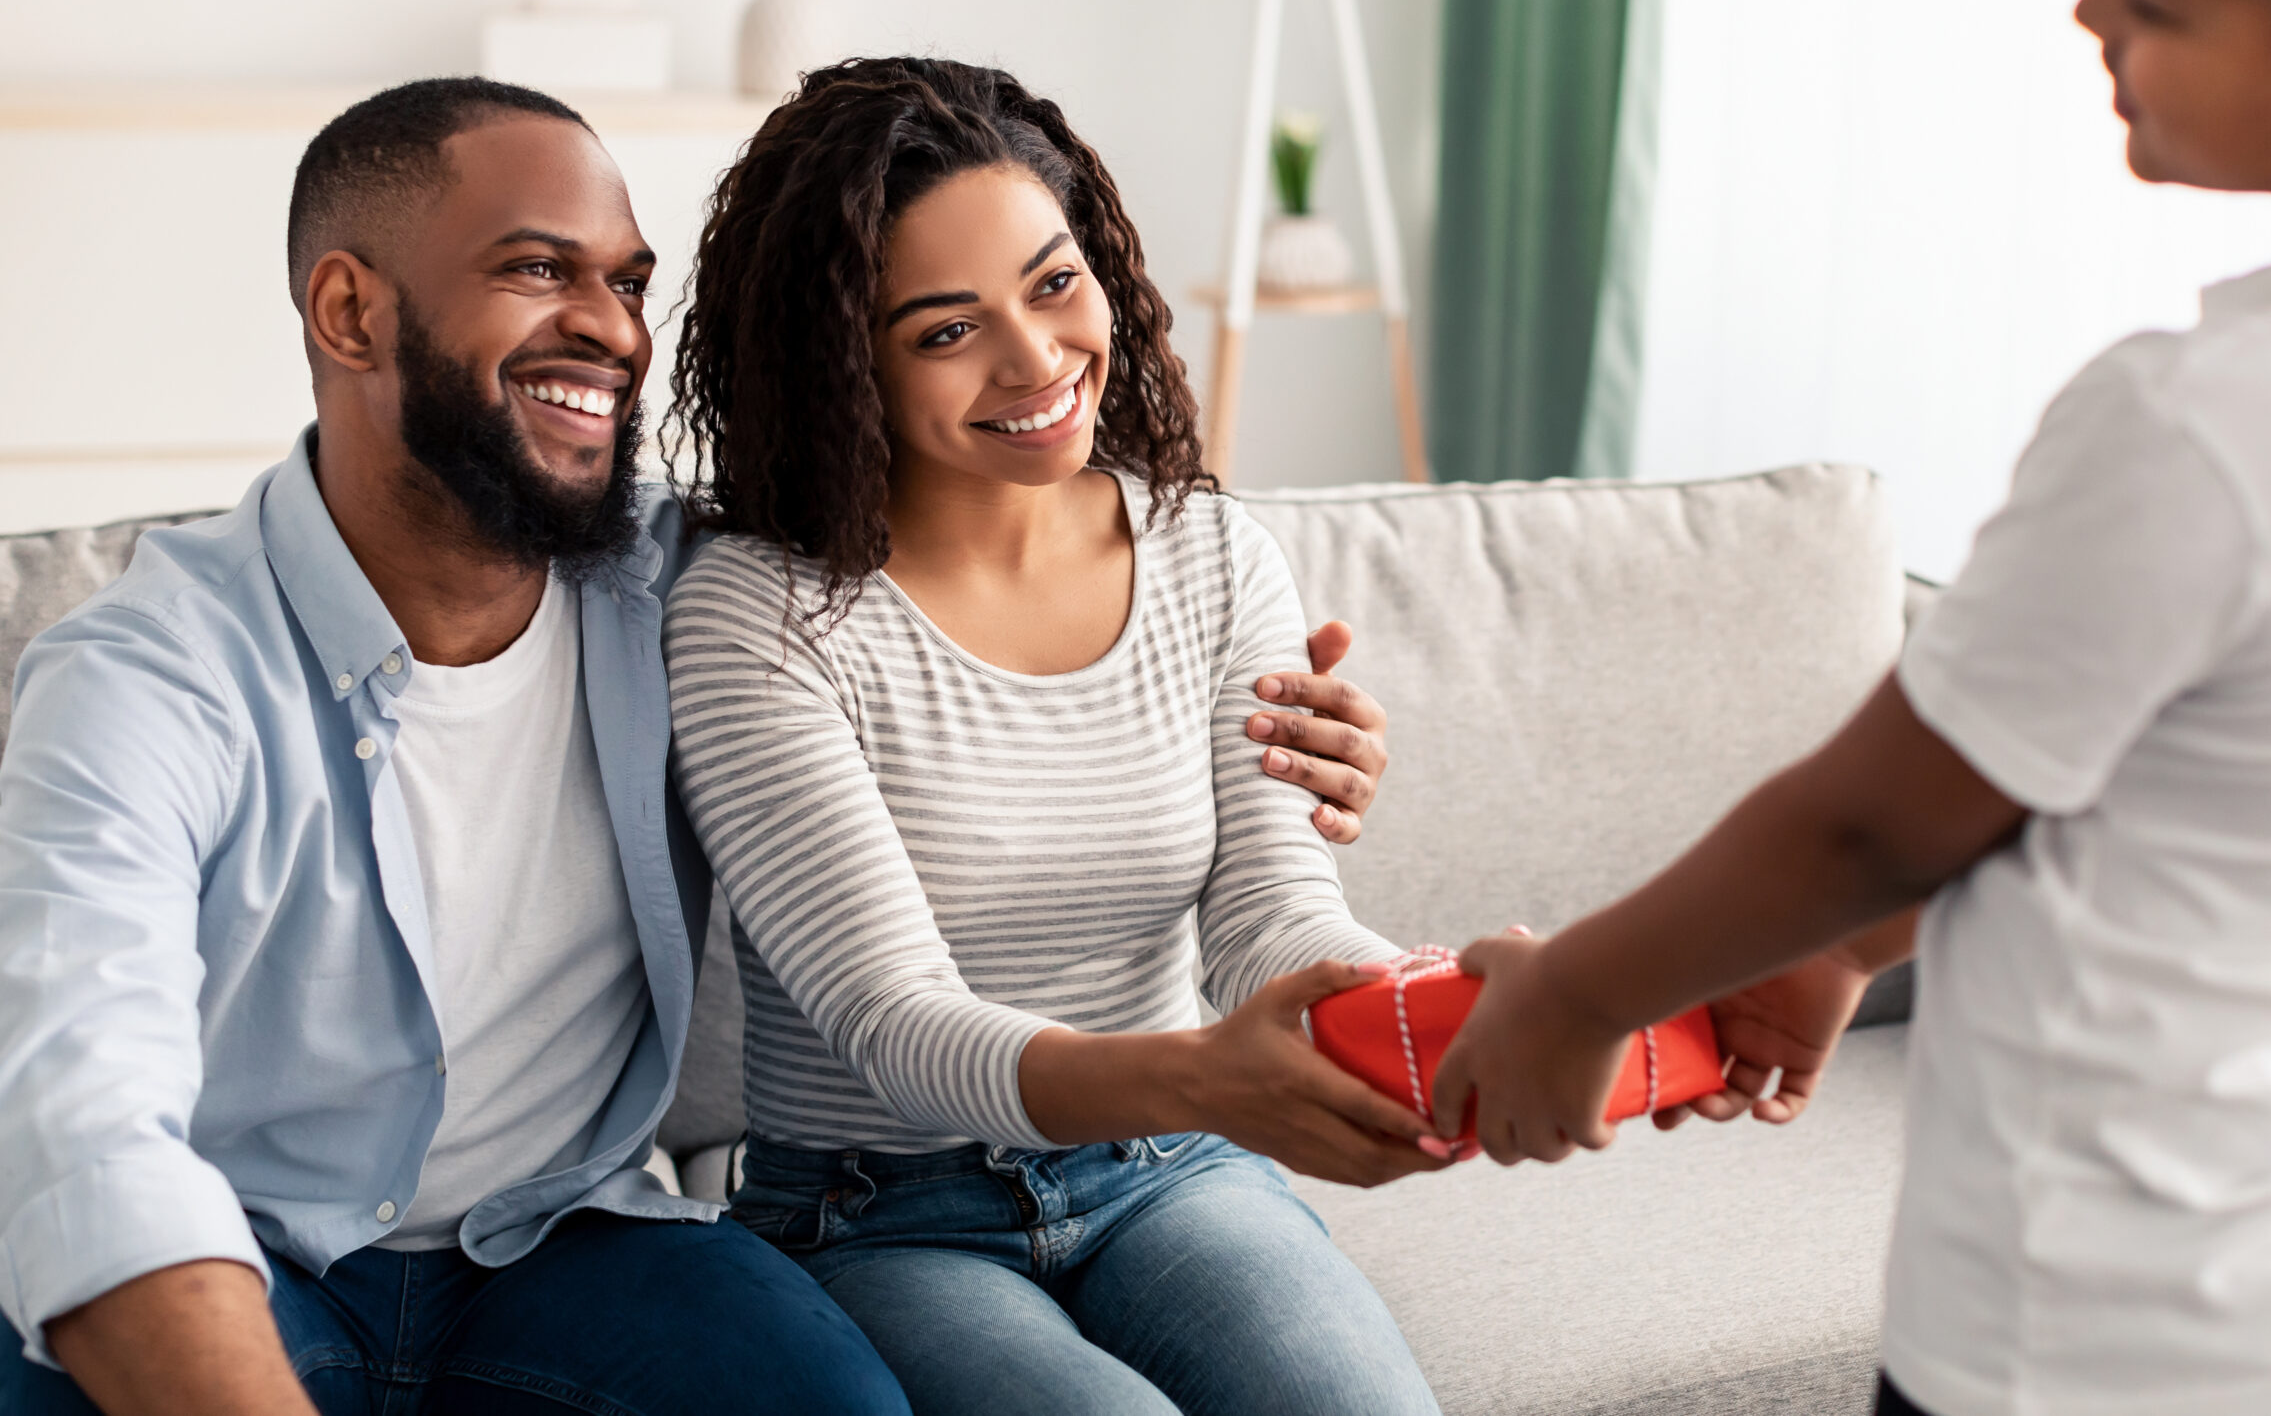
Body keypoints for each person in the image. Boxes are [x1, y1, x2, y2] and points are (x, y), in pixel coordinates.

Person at [1431, 0, 2271, 1414]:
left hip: (2123, 1344)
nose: (2091, 11)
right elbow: (2107, 779)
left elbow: (1874, 821)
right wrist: (1835, 957)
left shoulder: (2197, 429)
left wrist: (1580, 995)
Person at [0, 76, 1394, 1415]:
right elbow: (82, 1124)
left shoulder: (662, 572)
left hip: (558, 1251)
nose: (609, 331)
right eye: (538, 269)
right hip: (256, 1252)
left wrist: (1341, 819)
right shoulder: (146, 678)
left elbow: (924, 561)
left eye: (626, 283)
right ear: (350, 311)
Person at [659, 56, 1447, 1416]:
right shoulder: (760, 618)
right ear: (843, 359)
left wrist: (1436, 1003)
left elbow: (1270, 918)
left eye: (1053, 283)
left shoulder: (1209, 553)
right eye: (945, 331)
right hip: (876, 1217)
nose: (1036, 361)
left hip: (1164, 1173)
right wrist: (1206, 1073)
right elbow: (893, 1021)